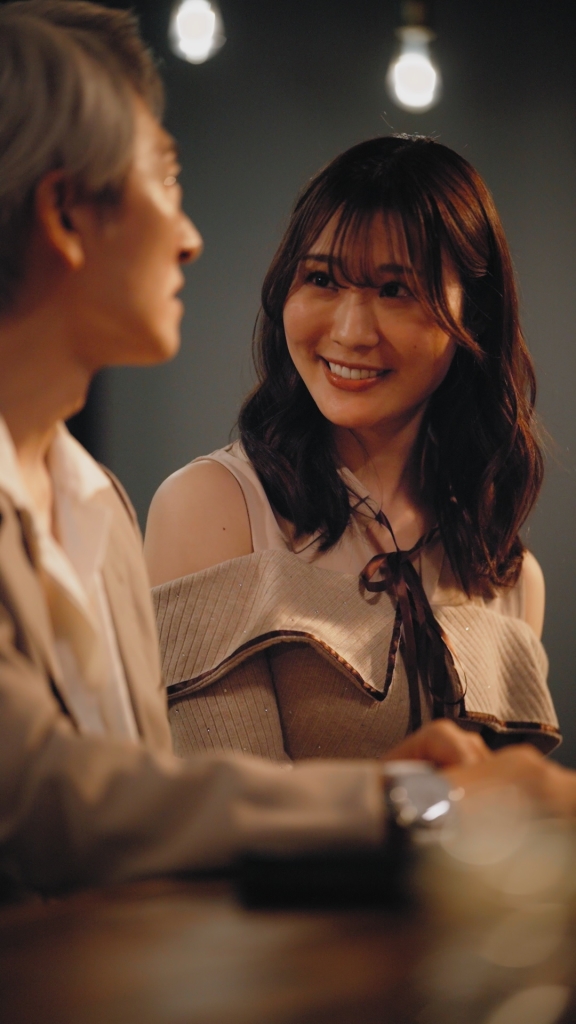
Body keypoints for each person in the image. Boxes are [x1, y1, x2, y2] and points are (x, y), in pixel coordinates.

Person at [0, 0, 501, 898]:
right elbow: (52, 806)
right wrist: (425, 802)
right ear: (66, 215)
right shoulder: (201, 502)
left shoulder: (93, 501)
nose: (192, 238)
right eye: (165, 179)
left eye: (397, 290)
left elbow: (142, 809)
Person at [145, 136, 560, 762]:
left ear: (473, 316)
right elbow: (230, 803)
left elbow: (504, 813)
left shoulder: (506, 572)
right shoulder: (213, 507)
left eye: (396, 290)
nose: (350, 331)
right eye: (322, 279)